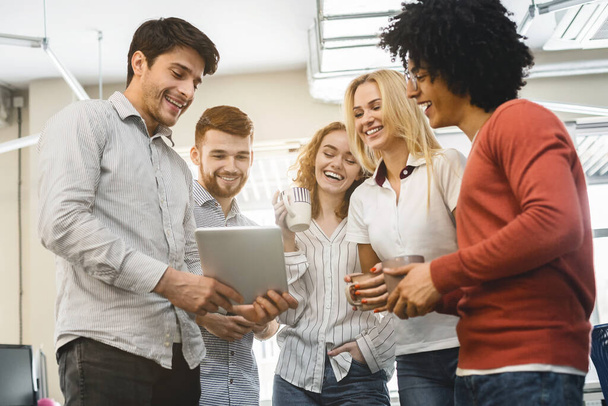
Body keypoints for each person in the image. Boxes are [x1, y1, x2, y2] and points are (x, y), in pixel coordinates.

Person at [38, 17, 295, 406]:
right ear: (139, 63)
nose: (187, 90)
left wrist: (241, 306)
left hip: (182, 358)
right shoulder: (87, 121)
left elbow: (187, 260)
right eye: (178, 73)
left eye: (195, 81)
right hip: (108, 348)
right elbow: (62, 223)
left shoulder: (176, 167)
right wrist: (169, 281)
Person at [379, 1, 596, 405]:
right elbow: (503, 277)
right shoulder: (482, 147)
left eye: (419, 75)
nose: (411, 91)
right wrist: (426, 291)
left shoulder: (519, 120)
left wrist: (440, 275)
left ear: (457, 64)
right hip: (485, 369)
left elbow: (556, 223)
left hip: (527, 367)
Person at [343, 69, 466, 406]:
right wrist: (361, 293)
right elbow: (375, 282)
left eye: (375, 107)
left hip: (468, 340)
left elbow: (477, 253)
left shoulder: (446, 165)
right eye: (358, 113)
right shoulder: (363, 197)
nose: (366, 119)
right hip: (412, 353)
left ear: (400, 105)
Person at [272, 122, 393, 405]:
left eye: (350, 159)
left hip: (358, 376)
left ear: (361, 169)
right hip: (294, 377)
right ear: (315, 157)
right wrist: (287, 239)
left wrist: (371, 347)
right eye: (329, 153)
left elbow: (402, 293)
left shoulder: (373, 222)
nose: (337, 164)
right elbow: (288, 315)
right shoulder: (292, 225)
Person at [189, 105, 279, 405]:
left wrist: (262, 321)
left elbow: (268, 329)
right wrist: (203, 318)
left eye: (241, 156)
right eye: (219, 155)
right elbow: (145, 295)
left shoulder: (257, 234)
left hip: (243, 393)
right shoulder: (172, 218)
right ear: (195, 156)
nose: (231, 166)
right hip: (189, 392)